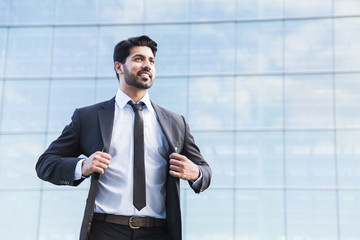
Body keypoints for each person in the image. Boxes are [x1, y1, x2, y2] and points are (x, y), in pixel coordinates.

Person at [36, 35, 211, 240]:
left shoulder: (175, 122)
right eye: (139, 59)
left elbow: (205, 171)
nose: (147, 65)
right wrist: (82, 166)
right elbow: (45, 164)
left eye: (151, 61)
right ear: (119, 67)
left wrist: (196, 172)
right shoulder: (88, 117)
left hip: (157, 232)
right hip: (105, 230)